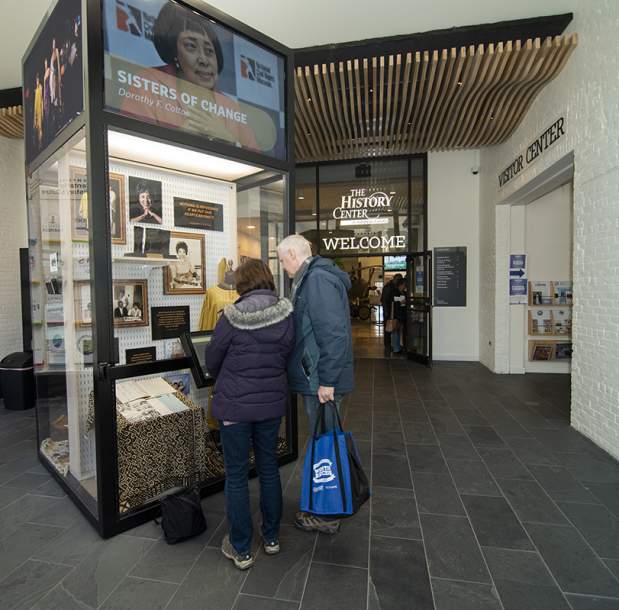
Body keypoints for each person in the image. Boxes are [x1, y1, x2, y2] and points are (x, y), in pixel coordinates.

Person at [205, 258, 294, 570]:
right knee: (269, 468)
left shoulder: (231, 315)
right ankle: (271, 538)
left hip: (235, 407)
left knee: (237, 475)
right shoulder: (286, 313)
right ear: (267, 279)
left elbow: (213, 357)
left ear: (241, 283)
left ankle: (241, 549)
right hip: (271, 404)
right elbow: (288, 353)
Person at [277, 234, 354, 535]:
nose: (283, 268)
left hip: (322, 381)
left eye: (283, 261)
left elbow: (334, 335)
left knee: (326, 446)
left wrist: (328, 382)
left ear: (294, 254)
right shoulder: (314, 277)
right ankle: (325, 505)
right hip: (318, 377)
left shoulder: (317, 280)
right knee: (325, 442)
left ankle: (326, 513)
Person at [381, 272, 403, 355]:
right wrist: (387, 313)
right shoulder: (389, 287)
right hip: (389, 311)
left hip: (390, 311)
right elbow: (385, 300)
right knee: (389, 328)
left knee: (391, 328)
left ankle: (390, 345)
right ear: (395, 279)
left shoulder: (390, 286)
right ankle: (388, 345)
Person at [391, 278, 407, 354]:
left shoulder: (404, 292)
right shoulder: (395, 292)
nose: (405, 286)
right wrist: (401, 301)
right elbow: (393, 302)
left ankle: (399, 346)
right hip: (396, 315)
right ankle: (396, 348)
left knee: (399, 331)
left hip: (402, 314)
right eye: (404, 284)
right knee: (395, 331)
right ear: (401, 284)